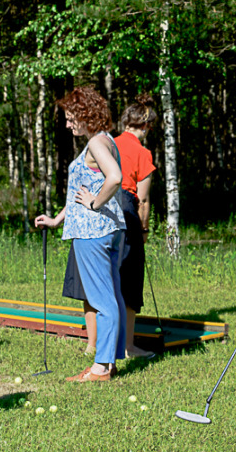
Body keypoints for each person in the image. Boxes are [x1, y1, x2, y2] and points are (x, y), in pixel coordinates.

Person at [34, 87, 126, 382]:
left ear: (86, 114)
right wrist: (56, 220)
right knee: (110, 295)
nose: (67, 123)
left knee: (102, 299)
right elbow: (79, 193)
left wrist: (94, 203)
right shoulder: (104, 140)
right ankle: (108, 362)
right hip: (108, 229)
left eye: (71, 117)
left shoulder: (97, 144)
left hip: (92, 233)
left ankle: (100, 367)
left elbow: (114, 178)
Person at [115, 95, 158, 358]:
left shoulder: (107, 144)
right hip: (127, 214)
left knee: (107, 278)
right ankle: (129, 347)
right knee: (130, 280)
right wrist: (144, 230)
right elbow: (142, 198)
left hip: (101, 213)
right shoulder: (142, 152)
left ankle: (96, 343)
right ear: (144, 126)